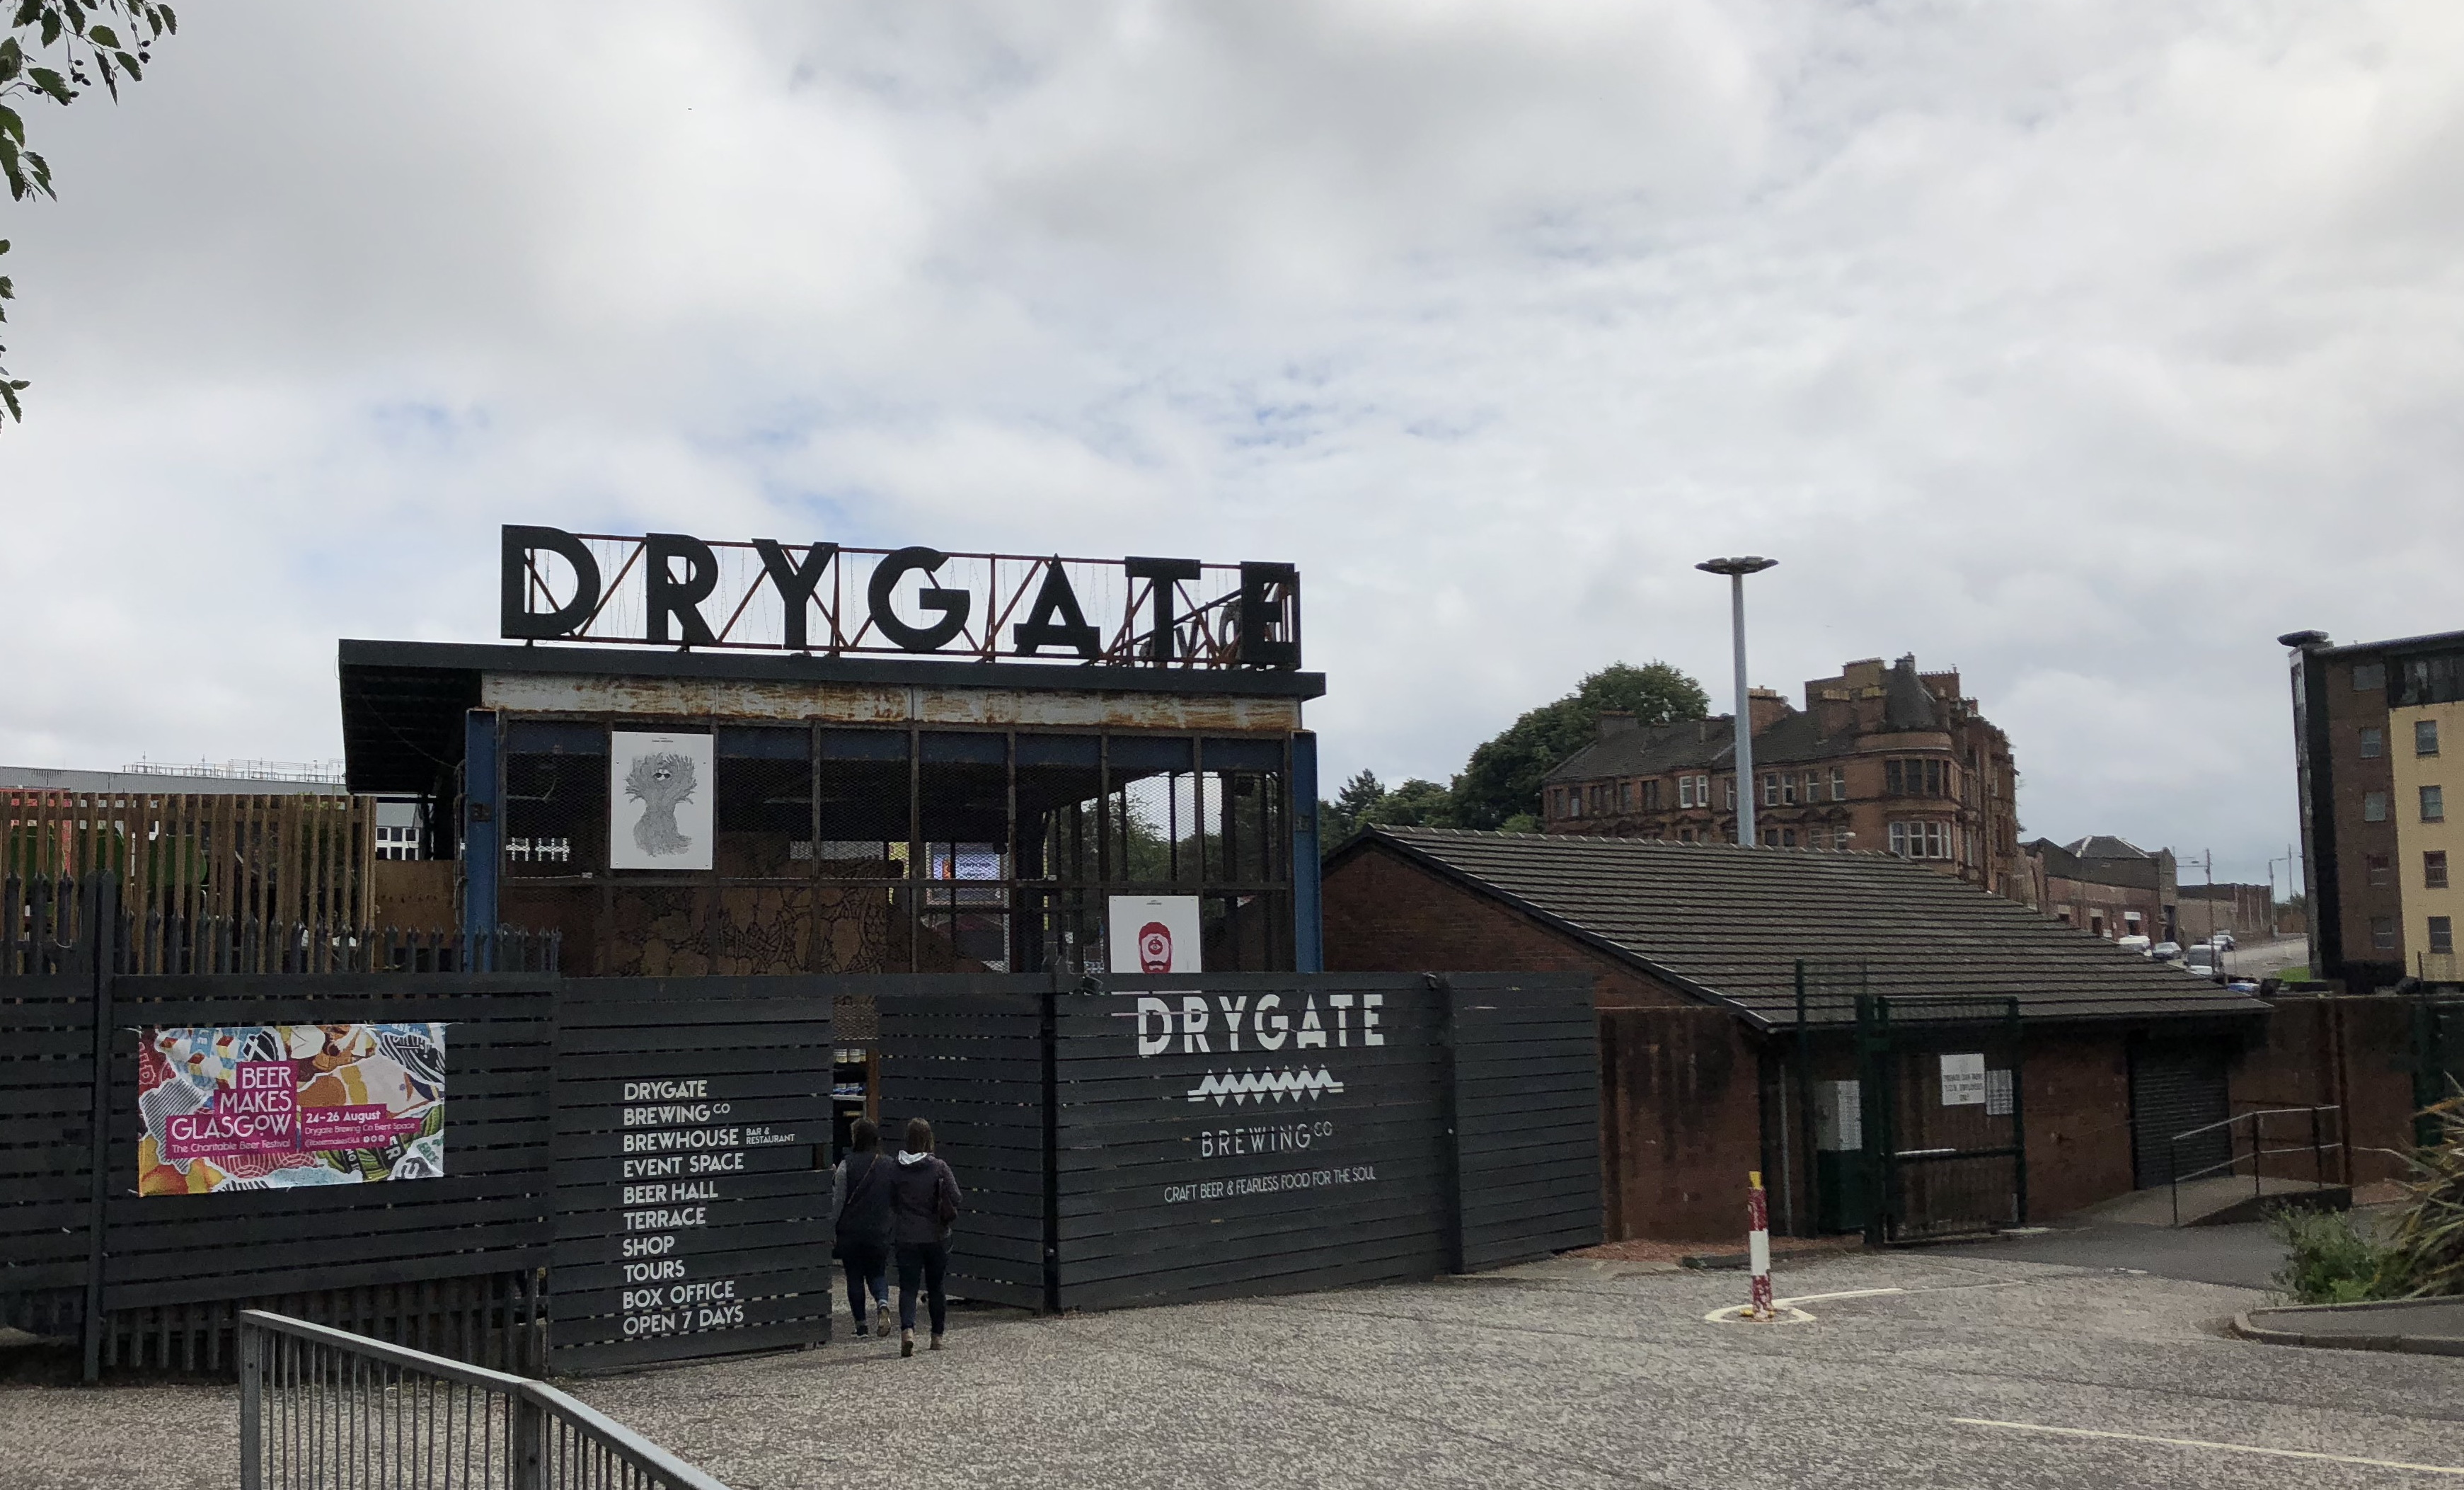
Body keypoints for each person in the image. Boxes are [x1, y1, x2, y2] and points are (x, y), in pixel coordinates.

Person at [887, 1116, 963, 1357]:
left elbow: (891, 1201)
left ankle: (908, 1331)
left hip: (906, 1235)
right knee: (936, 1287)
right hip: (936, 1235)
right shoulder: (939, 1167)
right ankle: (937, 1337)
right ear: (929, 1139)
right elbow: (957, 1197)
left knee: (908, 1287)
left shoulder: (895, 1168)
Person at [827, 1118, 894, 1339]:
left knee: (854, 1276)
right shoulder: (889, 1164)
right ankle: (882, 1303)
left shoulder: (846, 1165)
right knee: (877, 1273)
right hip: (879, 1231)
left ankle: (861, 1326)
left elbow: (838, 1202)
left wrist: (830, 1229)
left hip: (851, 1232)